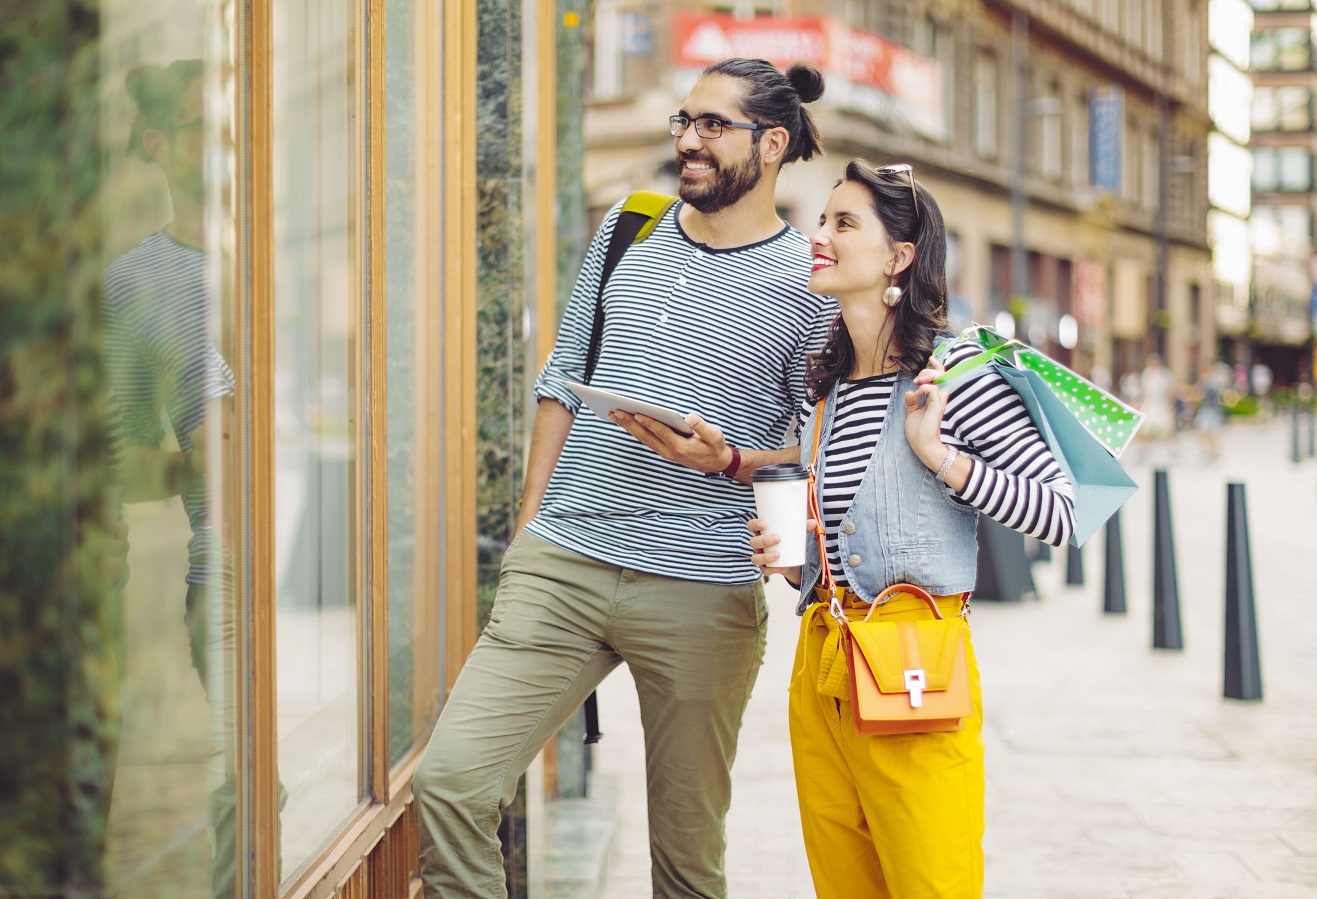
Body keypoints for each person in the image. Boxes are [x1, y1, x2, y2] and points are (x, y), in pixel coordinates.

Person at [412, 59, 836, 898]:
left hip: (702, 587)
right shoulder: (626, 229)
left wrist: (730, 466)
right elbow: (563, 376)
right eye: (685, 120)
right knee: (450, 781)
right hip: (563, 561)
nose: (687, 140)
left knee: (685, 859)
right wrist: (530, 530)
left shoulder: (808, 284)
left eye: (712, 126)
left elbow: (807, 445)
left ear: (773, 142)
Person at [747, 160, 1076, 898]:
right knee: (844, 885)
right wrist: (793, 560)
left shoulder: (954, 373)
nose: (817, 236)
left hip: (915, 669)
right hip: (822, 666)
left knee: (931, 882)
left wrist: (943, 460)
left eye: (842, 223)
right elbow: (845, 542)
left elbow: (1059, 511)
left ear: (898, 257)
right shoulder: (822, 384)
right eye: (821, 220)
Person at [102, 59, 242, 897]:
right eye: (204, 129)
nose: (226, 147)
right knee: (246, 794)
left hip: (327, 559)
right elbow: (116, 462)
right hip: (220, 566)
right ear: (158, 145)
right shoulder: (136, 280)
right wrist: (203, 447)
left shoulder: (277, 257)